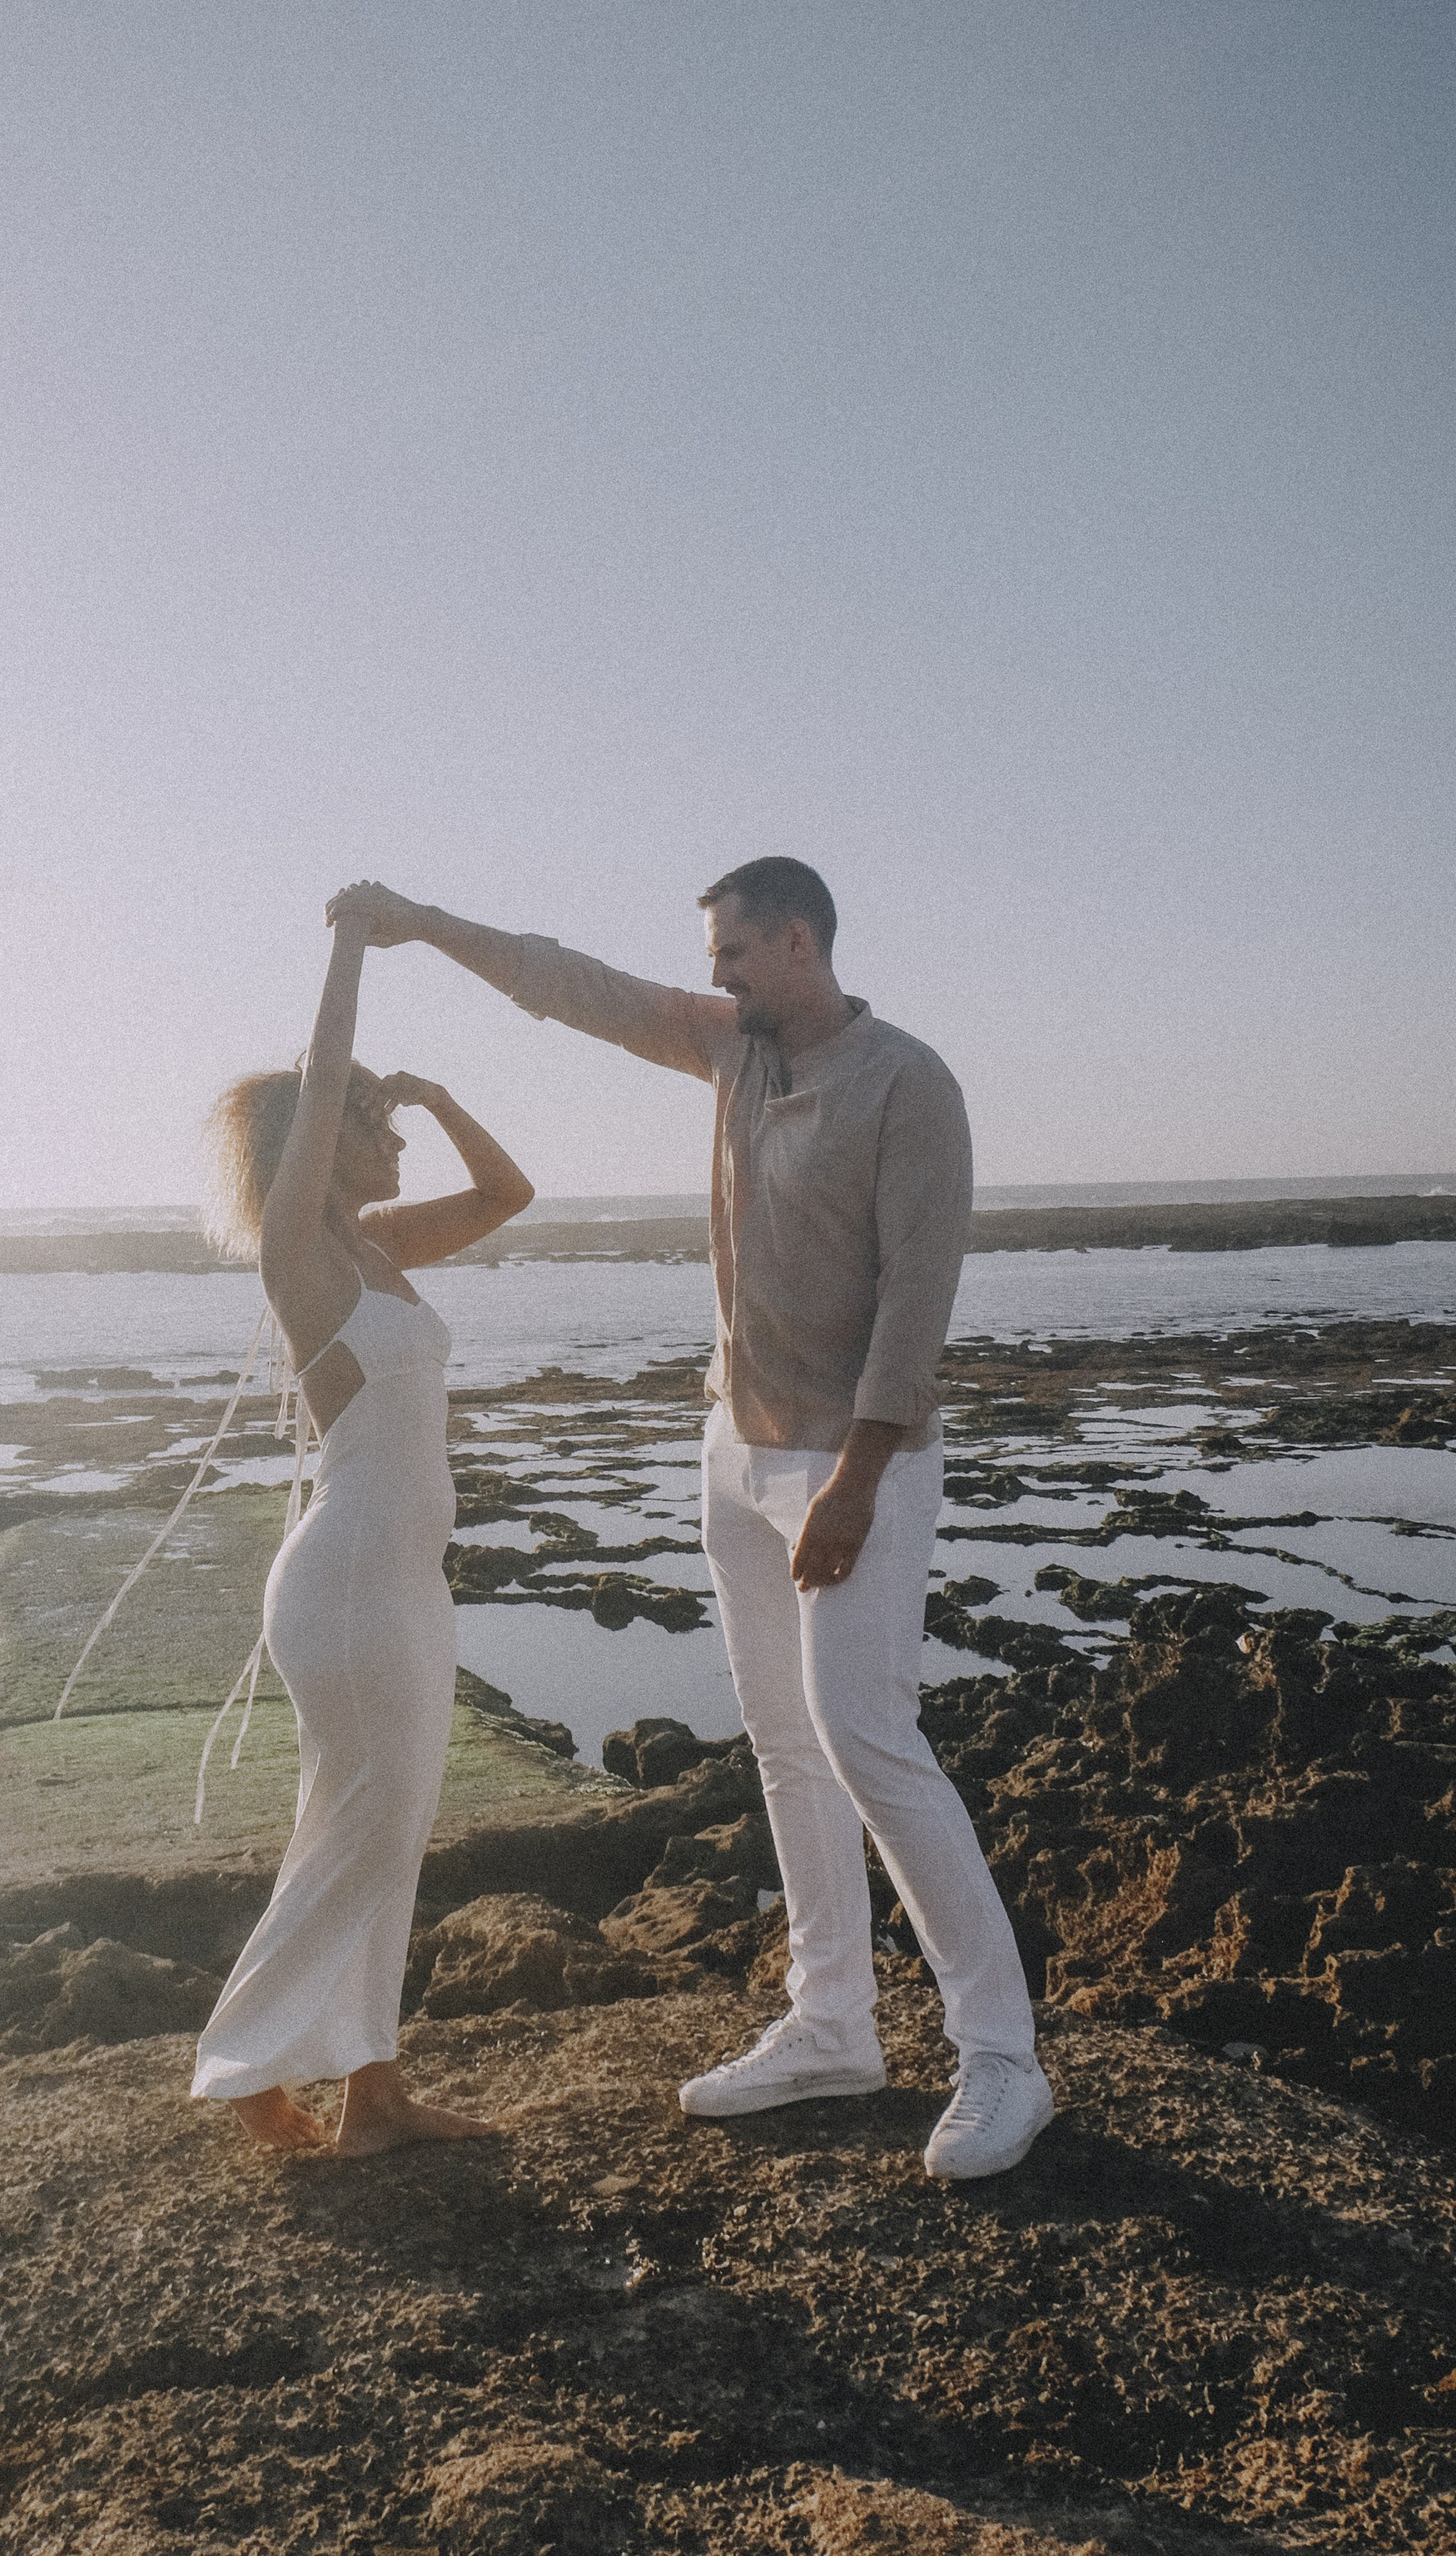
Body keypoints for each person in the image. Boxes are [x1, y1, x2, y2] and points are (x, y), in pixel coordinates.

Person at [327, 861, 1053, 2182]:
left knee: (869, 1739)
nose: (713, 975)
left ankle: (1002, 2054)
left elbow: (918, 1302)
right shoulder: (734, 1052)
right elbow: (572, 986)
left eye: (731, 952)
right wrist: (425, 927)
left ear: (797, 942)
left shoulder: (909, 1083)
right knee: (785, 1745)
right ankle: (831, 2025)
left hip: (852, 1463)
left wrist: (855, 1482)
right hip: (736, 1448)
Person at [189, 895, 534, 2156]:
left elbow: (509, 1190)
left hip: (406, 1582)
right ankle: (247, 2066)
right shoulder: (302, 1254)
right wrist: (351, 945)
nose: (395, 1145)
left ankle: (373, 2093)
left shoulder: (380, 1247)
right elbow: (325, 1068)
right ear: (323, 1143)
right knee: (366, 1826)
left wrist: (435, 1099)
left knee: (390, 1826)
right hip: (344, 1585)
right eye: (376, 1129)